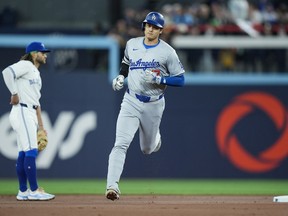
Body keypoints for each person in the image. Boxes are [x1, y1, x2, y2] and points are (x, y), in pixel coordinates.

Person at [106, 11, 185, 201]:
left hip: (154, 103)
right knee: (120, 144)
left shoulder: (167, 51)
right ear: (144, 26)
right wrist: (121, 76)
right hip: (131, 100)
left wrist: (161, 78)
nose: (150, 29)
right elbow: (126, 63)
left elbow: (181, 79)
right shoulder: (132, 44)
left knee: (147, 149)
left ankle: (156, 138)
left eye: (155, 27)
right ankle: (112, 186)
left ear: (160, 30)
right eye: (148, 25)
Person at [2, 42, 55, 201]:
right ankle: (34, 190)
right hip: (22, 110)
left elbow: (36, 102)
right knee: (31, 151)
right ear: (33, 53)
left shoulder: (36, 73)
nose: (45, 55)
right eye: (42, 52)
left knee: (23, 153)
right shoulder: (25, 65)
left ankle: (23, 191)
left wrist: (41, 126)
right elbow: (6, 72)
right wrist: (14, 92)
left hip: (29, 111)